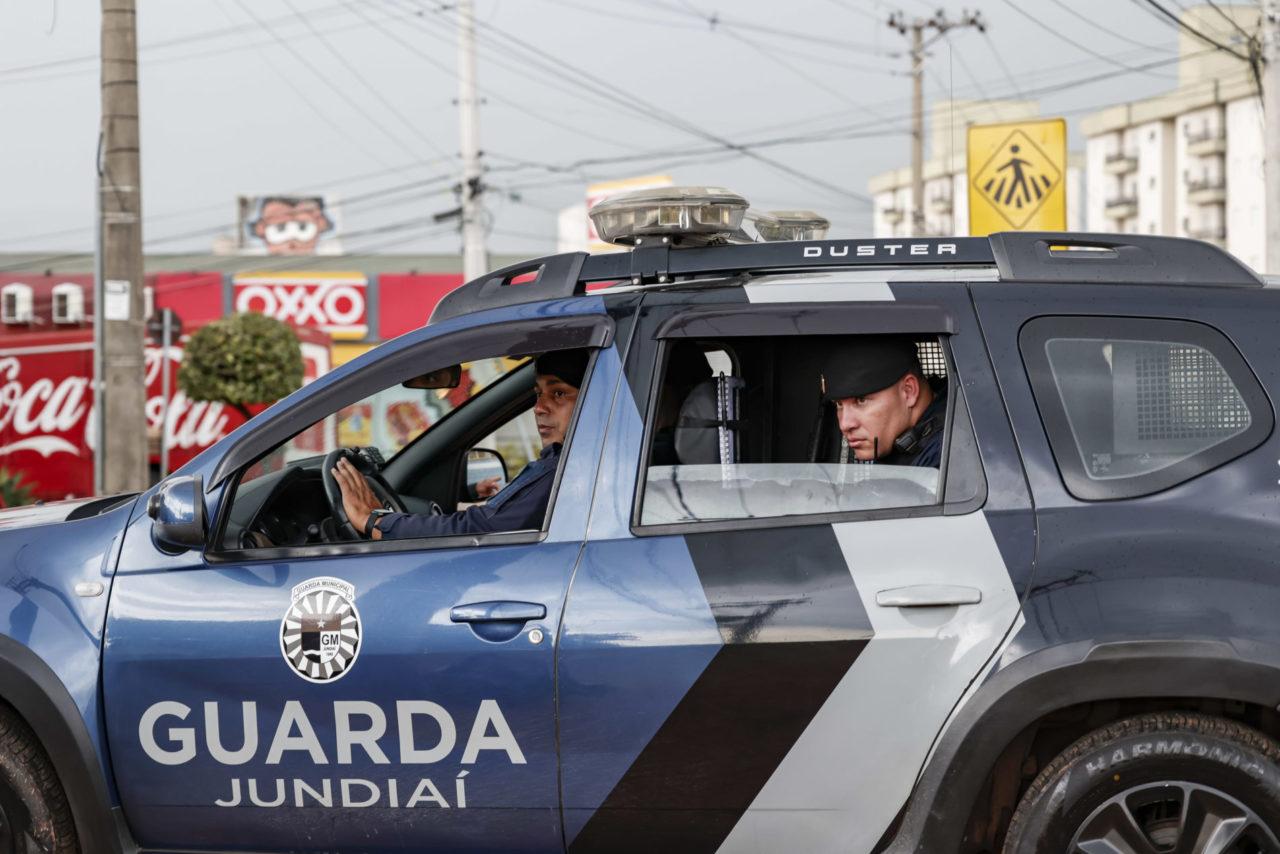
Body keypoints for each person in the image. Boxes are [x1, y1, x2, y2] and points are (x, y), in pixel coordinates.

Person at [331, 349, 588, 540]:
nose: (539, 408)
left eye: (559, 393)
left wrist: (374, 521)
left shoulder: (566, 472)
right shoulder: (573, 465)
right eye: (538, 394)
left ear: (592, 397)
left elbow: (479, 531)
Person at [821, 336, 946, 467]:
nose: (844, 425)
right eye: (839, 404)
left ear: (908, 391)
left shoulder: (946, 456)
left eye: (861, 400)